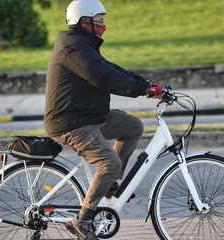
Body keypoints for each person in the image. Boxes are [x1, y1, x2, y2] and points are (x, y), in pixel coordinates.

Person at [44, 0, 163, 239]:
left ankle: (108, 185)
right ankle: (83, 220)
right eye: (99, 21)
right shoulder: (73, 47)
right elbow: (105, 77)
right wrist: (141, 89)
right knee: (109, 163)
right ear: (84, 22)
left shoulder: (83, 44)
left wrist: (147, 85)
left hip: (89, 115)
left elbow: (110, 68)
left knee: (132, 127)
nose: (103, 26)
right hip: (71, 122)